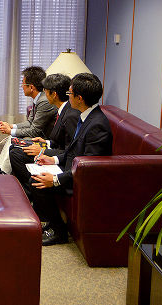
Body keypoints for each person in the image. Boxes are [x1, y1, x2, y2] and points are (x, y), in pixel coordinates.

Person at [30, 73, 113, 246]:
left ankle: (59, 231)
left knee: (38, 182)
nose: (68, 97)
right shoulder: (86, 117)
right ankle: (53, 224)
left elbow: (88, 168)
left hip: (83, 182)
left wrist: (56, 179)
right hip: (72, 170)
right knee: (36, 175)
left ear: (79, 98)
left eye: (70, 94)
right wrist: (54, 160)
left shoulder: (97, 125)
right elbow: (73, 150)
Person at [9, 73, 80, 198]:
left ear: (54, 94)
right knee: (15, 147)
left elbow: (70, 150)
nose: (44, 95)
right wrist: (45, 143)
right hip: (54, 149)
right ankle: (24, 190)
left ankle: (30, 193)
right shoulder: (63, 110)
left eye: (46, 91)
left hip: (61, 158)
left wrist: (44, 150)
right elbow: (60, 140)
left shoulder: (70, 116)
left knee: (16, 154)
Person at [0, 66, 57, 173]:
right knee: (12, 139)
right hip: (38, 135)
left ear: (31, 87)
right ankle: (0, 172)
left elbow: (35, 131)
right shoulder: (38, 98)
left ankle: (1, 174)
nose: (21, 86)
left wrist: (10, 131)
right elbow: (30, 122)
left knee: (13, 141)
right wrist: (12, 126)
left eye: (23, 84)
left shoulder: (44, 102)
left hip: (45, 139)